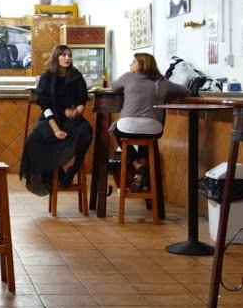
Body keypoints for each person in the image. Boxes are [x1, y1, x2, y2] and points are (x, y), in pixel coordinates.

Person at [109, 51, 191, 191]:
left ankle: (138, 165)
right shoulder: (162, 81)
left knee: (116, 130)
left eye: (133, 62)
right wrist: (166, 95)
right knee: (147, 139)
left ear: (142, 65)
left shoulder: (128, 77)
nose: (131, 64)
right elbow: (186, 91)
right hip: (154, 128)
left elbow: (113, 86)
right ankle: (143, 173)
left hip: (128, 125)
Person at [19, 44, 93, 196]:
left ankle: (73, 169)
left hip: (71, 120)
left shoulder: (76, 76)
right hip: (51, 120)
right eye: (63, 55)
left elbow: (81, 102)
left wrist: (76, 112)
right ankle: (58, 173)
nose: (67, 58)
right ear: (56, 57)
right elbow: (46, 107)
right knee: (32, 141)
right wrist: (56, 130)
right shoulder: (46, 78)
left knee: (86, 131)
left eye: (69, 55)